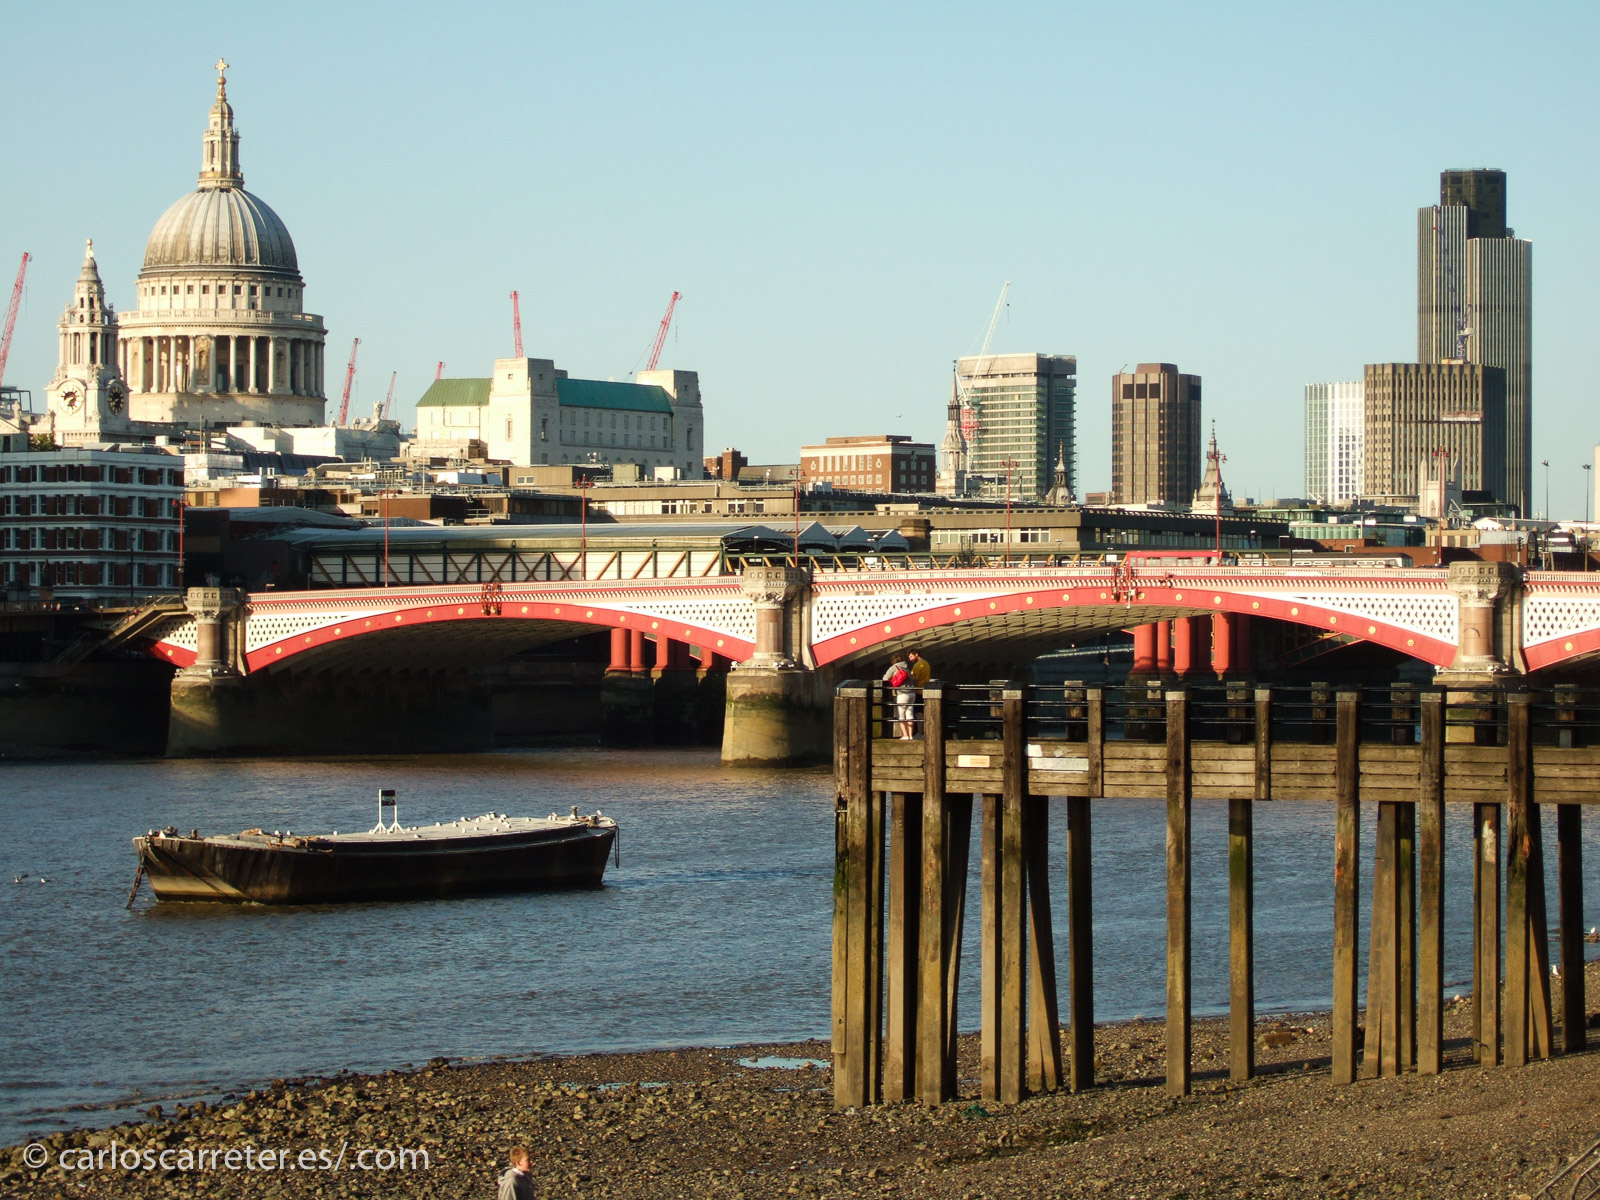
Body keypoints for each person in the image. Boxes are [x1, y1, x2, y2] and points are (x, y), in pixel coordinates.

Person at [882, 656, 914, 738]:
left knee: (901, 715)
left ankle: (905, 735)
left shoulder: (894, 667)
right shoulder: (907, 667)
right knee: (909, 715)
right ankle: (910, 735)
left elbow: (885, 678)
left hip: (901, 693)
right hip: (912, 693)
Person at [906, 648, 932, 737]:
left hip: (918, 691)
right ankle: (926, 730)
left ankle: (920, 731)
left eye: (911, 656)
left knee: (918, 712)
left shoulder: (917, 665)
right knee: (924, 712)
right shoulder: (926, 664)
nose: (910, 659)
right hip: (926, 690)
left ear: (916, 654)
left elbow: (914, 679)